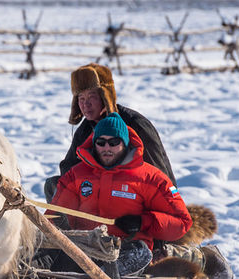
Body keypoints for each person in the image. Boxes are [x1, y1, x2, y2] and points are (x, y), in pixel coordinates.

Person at [46, 112, 191, 277]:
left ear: (125, 143)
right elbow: (55, 217)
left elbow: (182, 222)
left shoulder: (151, 178)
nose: (107, 148)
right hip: (84, 250)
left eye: (113, 142)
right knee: (49, 253)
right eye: (101, 142)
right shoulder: (76, 175)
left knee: (140, 252)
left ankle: (104, 273)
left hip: (127, 250)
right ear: (94, 144)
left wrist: (142, 221)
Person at [44, 63, 176, 203]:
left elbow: (159, 174)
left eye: (91, 97)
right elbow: (68, 168)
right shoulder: (85, 129)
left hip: (133, 195)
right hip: (100, 194)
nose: (85, 104)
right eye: (81, 98)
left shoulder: (135, 124)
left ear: (105, 96)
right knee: (54, 186)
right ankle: (66, 225)